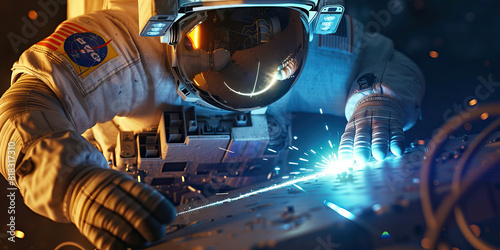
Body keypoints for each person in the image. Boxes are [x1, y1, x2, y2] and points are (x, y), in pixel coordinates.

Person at [0, 0, 424, 249]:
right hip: (140, 214)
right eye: (223, 45)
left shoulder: (310, 35)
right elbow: (24, 107)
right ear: (168, 24)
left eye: (269, 43)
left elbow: (381, 64)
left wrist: (377, 105)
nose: (251, 72)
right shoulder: (123, 47)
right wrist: (74, 181)